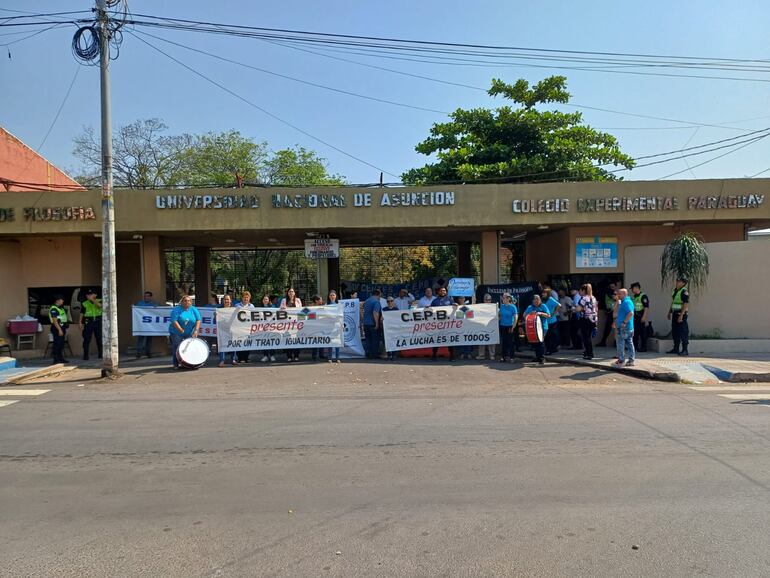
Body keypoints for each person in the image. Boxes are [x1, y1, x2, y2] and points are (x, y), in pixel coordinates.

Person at [168, 294, 201, 370]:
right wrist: (180, 330)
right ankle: (176, 364)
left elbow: (198, 320)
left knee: (188, 347)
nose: (187, 302)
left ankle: (187, 363)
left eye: (189, 301)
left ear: (191, 302)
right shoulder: (176, 310)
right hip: (176, 332)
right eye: (185, 301)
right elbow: (174, 321)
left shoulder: (193, 309)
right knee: (177, 347)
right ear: (182, 302)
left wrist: (196, 330)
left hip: (190, 332)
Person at [523, 294, 550, 364]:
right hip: (534, 328)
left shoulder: (543, 306)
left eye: (538, 299)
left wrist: (540, 313)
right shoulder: (530, 307)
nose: (536, 301)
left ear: (540, 300)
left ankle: (542, 358)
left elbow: (548, 315)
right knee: (536, 342)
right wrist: (530, 313)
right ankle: (538, 357)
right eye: (535, 299)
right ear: (532, 301)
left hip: (543, 327)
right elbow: (524, 315)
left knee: (541, 342)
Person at [667, 277, 690, 356]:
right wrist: (669, 312)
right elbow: (673, 302)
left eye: (679, 281)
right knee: (675, 331)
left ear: (683, 283)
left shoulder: (684, 291)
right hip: (675, 313)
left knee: (683, 332)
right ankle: (676, 348)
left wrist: (681, 315)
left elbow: (685, 304)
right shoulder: (675, 291)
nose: (677, 282)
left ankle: (685, 350)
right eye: (677, 281)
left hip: (681, 315)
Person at [575, 284, 598, 360]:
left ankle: (589, 353)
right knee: (588, 337)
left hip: (585, 319)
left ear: (583, 291)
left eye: (580, 290)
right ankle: (588, 352)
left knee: (586, 337)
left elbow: (578, 309)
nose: (579, 292)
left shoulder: (584, 298)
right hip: (593, 319)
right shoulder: (593, 298)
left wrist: (573, 309)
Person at [431, 286, 454, 361]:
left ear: (446, 292)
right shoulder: (435, 301)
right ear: (438, 292)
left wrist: (456, 305)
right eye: (441, 290)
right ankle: (434, 355)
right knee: (437, 340)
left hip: (448, 324)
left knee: (449, 340)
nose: (442, 292)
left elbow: (454, 308)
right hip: (438, 324)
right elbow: (431, 311)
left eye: (444, 290)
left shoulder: (450, 300)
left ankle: (452, 356)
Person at [614, 288, 636, 367]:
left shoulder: (626, 302)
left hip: (625, 327)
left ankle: (622, 360)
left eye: (619, 294)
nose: (618, 295)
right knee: (629, 343)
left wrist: (624, 322)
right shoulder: (624, 302)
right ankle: (630, 360)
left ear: (624, 294)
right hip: (627, 327)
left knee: (621, 343)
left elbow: (631, 313)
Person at [280, 288, 302, 361]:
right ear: (287, 293)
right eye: (289, 291)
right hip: (287, 324)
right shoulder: (284, 300)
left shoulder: (298, 300)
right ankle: (289, 356)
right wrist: (283, 308)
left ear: (294, 293)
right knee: (288, 339)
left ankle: (296, 356)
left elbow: (301, 310)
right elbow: (280, 310)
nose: (291, 293)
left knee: (296, 339)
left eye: (292, 291)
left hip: (296, 323)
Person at [79, 289, 103, 361]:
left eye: (90, 294)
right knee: (86, 339)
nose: (88, 296)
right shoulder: (84, 303)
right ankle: (85, 355)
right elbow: (81, 313)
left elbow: (100, 306)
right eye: (87, 295)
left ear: (95, 295)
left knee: (99, 338)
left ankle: (101, 354)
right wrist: (80, 322)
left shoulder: (99, 300)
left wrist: (93, 300)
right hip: (88, 322)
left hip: (97, 322)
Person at [134, 291, 157, 359]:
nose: (146, 297)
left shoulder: (154, 304)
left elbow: (158, 311)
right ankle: (139, 353)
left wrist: (156, 308)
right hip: (141, 325)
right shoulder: (140, 303)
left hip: (150, 326)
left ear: (150, 297)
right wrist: (133, 307)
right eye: (145, 296)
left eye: (147, 296)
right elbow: (135, 310)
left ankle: (148, 353)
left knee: (149, 340)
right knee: (140, 339)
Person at [217, 294, 238, 367]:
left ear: (230, 300)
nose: (226, 301)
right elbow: (215, 321)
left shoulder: (234, 309)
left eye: (228, 299)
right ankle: (222, 360)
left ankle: (233, 359)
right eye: (225, 299)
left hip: (232, 330)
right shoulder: (219, 309)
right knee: (222, 345)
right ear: (223, 301)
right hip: (222, 330)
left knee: (233, 344)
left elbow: (237, 320)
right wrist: (215, 315)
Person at [49, 294, 69, 364]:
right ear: (57, 301)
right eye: (61, 300)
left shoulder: (61, 308)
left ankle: (61, 358)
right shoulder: (54, 309)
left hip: (62, 327)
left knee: (61, 344)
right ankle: (56, 359)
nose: (63, 301)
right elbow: (55, 321)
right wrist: (59, 330)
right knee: (57, 344)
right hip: (57, 327)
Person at [498, 292, 518, 363]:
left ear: (508, 298)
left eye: (504, 297)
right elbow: (499, 316)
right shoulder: (502, 306)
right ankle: (504, 357)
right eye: (502, 297)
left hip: (510, 326)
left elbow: (516, 317)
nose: (503, 299)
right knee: (504, 342)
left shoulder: (513, 307)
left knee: (510, 342)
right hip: (502, 326)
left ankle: (512, 357)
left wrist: (513, 326)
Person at [630, 282, 650, 353]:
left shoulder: (643, 296)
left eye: (632, 288)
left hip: (641, 316)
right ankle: (635, 347)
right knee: (635, 332)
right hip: (635, 316)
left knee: (642, 332)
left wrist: (644, 317)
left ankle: (644, 347)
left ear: (636, 288)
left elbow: (646, 307)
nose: (632, 290)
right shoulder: (635, 296)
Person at [362, 289, 382, 359]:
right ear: (379, 294)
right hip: (372, 323)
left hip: (365, 323)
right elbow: (375, 313)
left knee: (368, 339)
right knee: (375, 340)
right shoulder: (376, 302)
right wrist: (377, 323)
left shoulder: (367, 301)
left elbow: (363, 311)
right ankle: (374, 355)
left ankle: (368, 353)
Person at [236, 291, 255, 363]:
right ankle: (240, 358)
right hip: (239, 327)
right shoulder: (237, 305)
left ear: (249, 298)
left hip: (248, 327)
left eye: (247, 297)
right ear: (242, 298)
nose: (246, 299)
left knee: (248, 342)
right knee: (240, 342)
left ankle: (246, 357)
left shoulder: (252, 306)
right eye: (245, 297)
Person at [597, 282, 618, 347]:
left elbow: (615, 299)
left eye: (613, 287)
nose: (611, 288)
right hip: (610, 312)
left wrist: (614, 295)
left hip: (615, 312)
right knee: (608, 328)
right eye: (610, 287)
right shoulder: (608, 292)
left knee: (616, 328)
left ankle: (615, 342)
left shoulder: (616, 293)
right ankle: (604, 342)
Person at [541, 289, 561, 355]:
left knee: (550, 336)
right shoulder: (543, 300)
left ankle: (550, 350)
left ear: (548, 294)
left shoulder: (550, 299)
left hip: (552, 321)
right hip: (545, 321)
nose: (543, 294)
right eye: (542, 293)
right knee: (547, 336)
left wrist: (554, 313)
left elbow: (559, 305)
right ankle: (549, 349)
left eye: (544, 293)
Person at [258, 294, 278, 363]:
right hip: (263, 328)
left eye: (266, 299)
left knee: (271, 341)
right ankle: (265, 356)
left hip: (271, 327)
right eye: (264, 299)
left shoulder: (273, 307)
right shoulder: (259, 308)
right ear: (262, 301)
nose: (265, 300)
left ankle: (272, 355)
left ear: (269, 300)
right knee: (264, 342)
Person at [454, 296, 474, 360]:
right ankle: (462, 353)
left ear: (464, 299)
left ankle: (468, 353)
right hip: (460, 326)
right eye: (460, 298)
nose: (461, 299)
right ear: (458, 299)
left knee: (468, 339)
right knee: (461, 340)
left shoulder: (468, 305)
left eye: (462, 298)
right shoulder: (456, 306)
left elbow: (471, 315)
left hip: (467, 325)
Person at [479, 293, 496, 360]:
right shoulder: (480, 307)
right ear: (484, 300)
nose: (488, 301)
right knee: (481, 340)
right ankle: (481, 355)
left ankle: (492, 355)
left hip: (491, 326)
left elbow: (499, 315)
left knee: (492, 341)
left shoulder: (494, 306)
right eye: (487, 299)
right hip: (482, 326)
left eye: (489, 299)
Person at [310, 295, 327, 361]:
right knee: (315, 341)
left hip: (321, 325)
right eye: (320, 300)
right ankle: (314, 356)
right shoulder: (311, 307)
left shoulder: (322, 307)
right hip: (313, 326)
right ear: (316, 301)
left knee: (321, 340)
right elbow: (304, 313)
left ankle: (321, 355)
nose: (321, 301)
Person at [326, 290, 342, 363]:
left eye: (333, 295)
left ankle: (337, 357)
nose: (332, 296)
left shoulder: (339, 304)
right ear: (329, 296)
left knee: (337, 342)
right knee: (330, 342)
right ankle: (330, 357)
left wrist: (342, 324)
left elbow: (341, 316)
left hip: (337, 325)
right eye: (331, 295)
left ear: (336, 296)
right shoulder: (326, 304)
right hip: (329, 325)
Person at [382, 296, 399, 360]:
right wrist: (382, 319)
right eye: (388, 301)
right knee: (387, 341)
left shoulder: (396, 309)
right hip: (387, 329)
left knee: (394, 341)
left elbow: (399, 319)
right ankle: (389, 355)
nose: (390, 302)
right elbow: (381, 319)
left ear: (393, 301)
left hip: (394, 328)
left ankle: (394, 355)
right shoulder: (384, 309)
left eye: (391, 301)